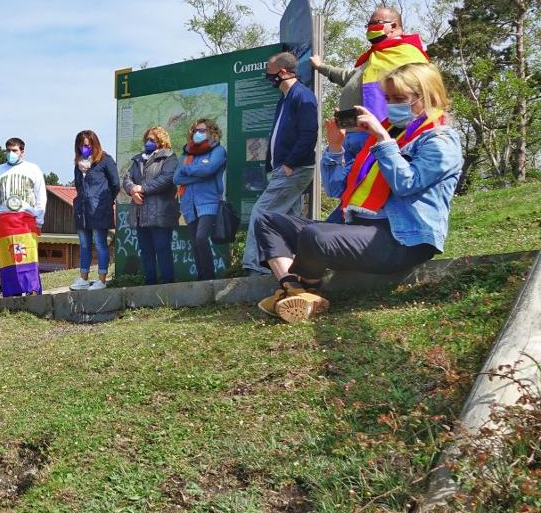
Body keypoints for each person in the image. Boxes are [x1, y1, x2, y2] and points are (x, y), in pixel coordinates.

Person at [254, 62, 462, 324]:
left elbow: (406, 183)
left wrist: (383, 141)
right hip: (357, 228)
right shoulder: (389, 134)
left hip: (401, 241)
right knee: (267, 219)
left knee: (315, 235)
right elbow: (336, 189)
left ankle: (307, 289)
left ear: (428, 96)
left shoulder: (440, 140)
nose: (391, 105)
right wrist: (335, 148)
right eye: (388, 99)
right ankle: (293, 290)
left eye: (400, 99)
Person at [311, 5, 429, 219]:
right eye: (368, 24)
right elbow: (349, 77)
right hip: (352, 134)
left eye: (375, 23)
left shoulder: (408, 53)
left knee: (368, 183)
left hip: (379, 136)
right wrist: (321, 67)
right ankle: (346, 219)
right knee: (345, 187)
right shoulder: (371, 58)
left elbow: (421, 89)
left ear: (393, 27)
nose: (370, 27)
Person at [242, 51, 319, 274]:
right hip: (283, 169)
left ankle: (256, 267)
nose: (268, 76)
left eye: (269, 72)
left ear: (282, 72)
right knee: (288, 221)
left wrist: (290, 164)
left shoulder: (302, 96)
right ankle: (295, 267)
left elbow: (309, 134)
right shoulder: (285, 99)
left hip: (294, 169)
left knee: (261, 213)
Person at [0, 137, 47, 297]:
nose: (11, 153)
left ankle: (32, 289)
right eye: (8, 150)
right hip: (4, 221)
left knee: (27, 257)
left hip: (26, 220)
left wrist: (39, 220)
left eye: (14, 150)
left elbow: (41, 196)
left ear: (22, 152)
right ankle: (11, 292)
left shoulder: (33, 169)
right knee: (8, 258)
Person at [173, 118, 228, 281]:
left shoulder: (218, 150)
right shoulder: (187, 153)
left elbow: (210, 169)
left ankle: (209, 277)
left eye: (202, 130)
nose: (198, 133)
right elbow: (176, 178)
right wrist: (199, 173)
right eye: (196, 130)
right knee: (194, 242)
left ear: (212, 132)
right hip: (189, 204)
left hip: (209, 202)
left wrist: (187, 171)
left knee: (201, 238)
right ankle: (201, 277)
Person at [123, 126, 178, 286]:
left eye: (152, 140)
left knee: (162, 248)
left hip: (161, 213)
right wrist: (132, 190)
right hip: (141, 214)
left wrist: (142, 188)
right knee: (146, 251)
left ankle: (168, 283)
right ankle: (150, 283)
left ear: (161, 141)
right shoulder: (138, 159)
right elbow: (127, 178)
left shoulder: (169, 158)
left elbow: (167, 179)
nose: (148, 142)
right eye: (147, 139)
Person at [70, 129, 120, 291]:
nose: (85, 148)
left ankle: (102, 279)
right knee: (84, 245)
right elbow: (78, 187)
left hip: (100, 209)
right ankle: (84, 278)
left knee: (100, 244)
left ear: (94, 144)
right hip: (82, 210)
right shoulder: (78, 165)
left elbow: (115, 184)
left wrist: (105, 200)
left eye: (87, 145)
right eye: (81, 145)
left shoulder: (105, 160)